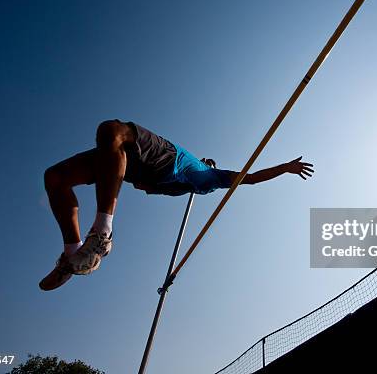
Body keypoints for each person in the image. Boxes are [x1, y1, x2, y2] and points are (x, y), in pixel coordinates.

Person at [40, 119, 314, 291]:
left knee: (111, 130)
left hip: (164, 162)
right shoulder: (192, 173)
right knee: (55, 177)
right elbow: (141, 186)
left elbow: (251, 178)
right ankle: (73, 255)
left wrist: (285, 168)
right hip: (143, 163)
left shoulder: (213, 180)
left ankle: (102, 234)